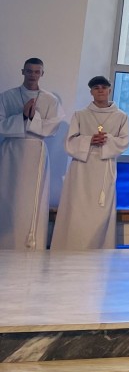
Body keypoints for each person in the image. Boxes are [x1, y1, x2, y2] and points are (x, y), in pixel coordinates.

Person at [50, 76, 129, 250]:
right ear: (91, 92)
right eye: (96, 88)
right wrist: (89, 140)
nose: (100, 90)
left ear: (109, 90)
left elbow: (124, 141)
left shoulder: (121, 117)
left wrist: (107, 139)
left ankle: (99, 250)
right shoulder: (80, 115)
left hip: (104, 168)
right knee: (77, 210)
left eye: (103, 87)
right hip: (81, 169)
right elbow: (69, 142)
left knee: (100, 211)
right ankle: (71, 249)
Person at [0, 58, 64, 249]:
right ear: (23, 72)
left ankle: (31, 242)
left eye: (37, 71)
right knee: (8, 195)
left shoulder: (50, 100)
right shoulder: (7, 96)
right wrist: (21, 116)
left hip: (36, 151)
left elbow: (53, 127)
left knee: (33, 199)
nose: (33, 75)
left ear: (42, 74)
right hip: (12, 152)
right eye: (29, 71)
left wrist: (32, 117)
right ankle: (5, 243)